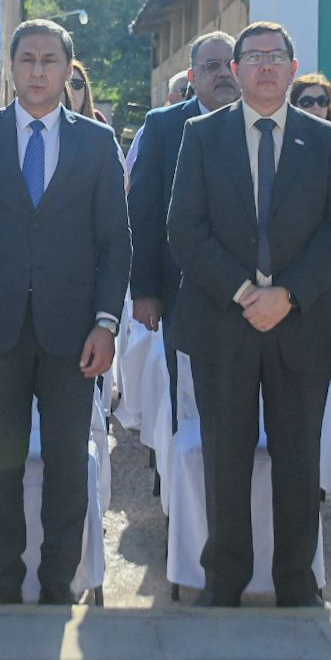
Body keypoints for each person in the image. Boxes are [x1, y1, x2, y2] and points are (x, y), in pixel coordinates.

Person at [0, 18, 130, 605]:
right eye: (27, 59)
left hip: (74, 333)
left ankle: (57, 583)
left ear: (69, 69)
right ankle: (3, 581)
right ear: (11, 68)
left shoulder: (95, 142)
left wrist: (106, 323)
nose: (38, 71)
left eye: (50, 60)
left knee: (69, 463)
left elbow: (115, 242)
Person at [167, 21, 331, 607]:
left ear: (294, 68)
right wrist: (245, 292)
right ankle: (225, 577)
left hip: (301, 322)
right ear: (236, 69)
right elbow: (184, 228)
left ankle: (297, 581)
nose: (266, 66)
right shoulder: (202, 136)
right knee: (225, 457)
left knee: (298, 460)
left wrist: (289, 294)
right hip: (223, 321)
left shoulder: (325, 141)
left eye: (277, 56)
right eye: (253, 57)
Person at [128, 30, 238, 437]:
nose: (223, 74)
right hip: (183, 290)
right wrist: (144, 290)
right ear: (193, 76)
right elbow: (143, 211)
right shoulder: (164, 127)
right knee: (192, 407)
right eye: (211, 66)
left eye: (229, 65)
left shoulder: (261, 122)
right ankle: (188, 475)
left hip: (253, 291)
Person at [66, 59, 109, 124]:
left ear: (86, 90)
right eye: (65, 85)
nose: (70, 90)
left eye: (76, 84)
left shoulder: (98, 120)